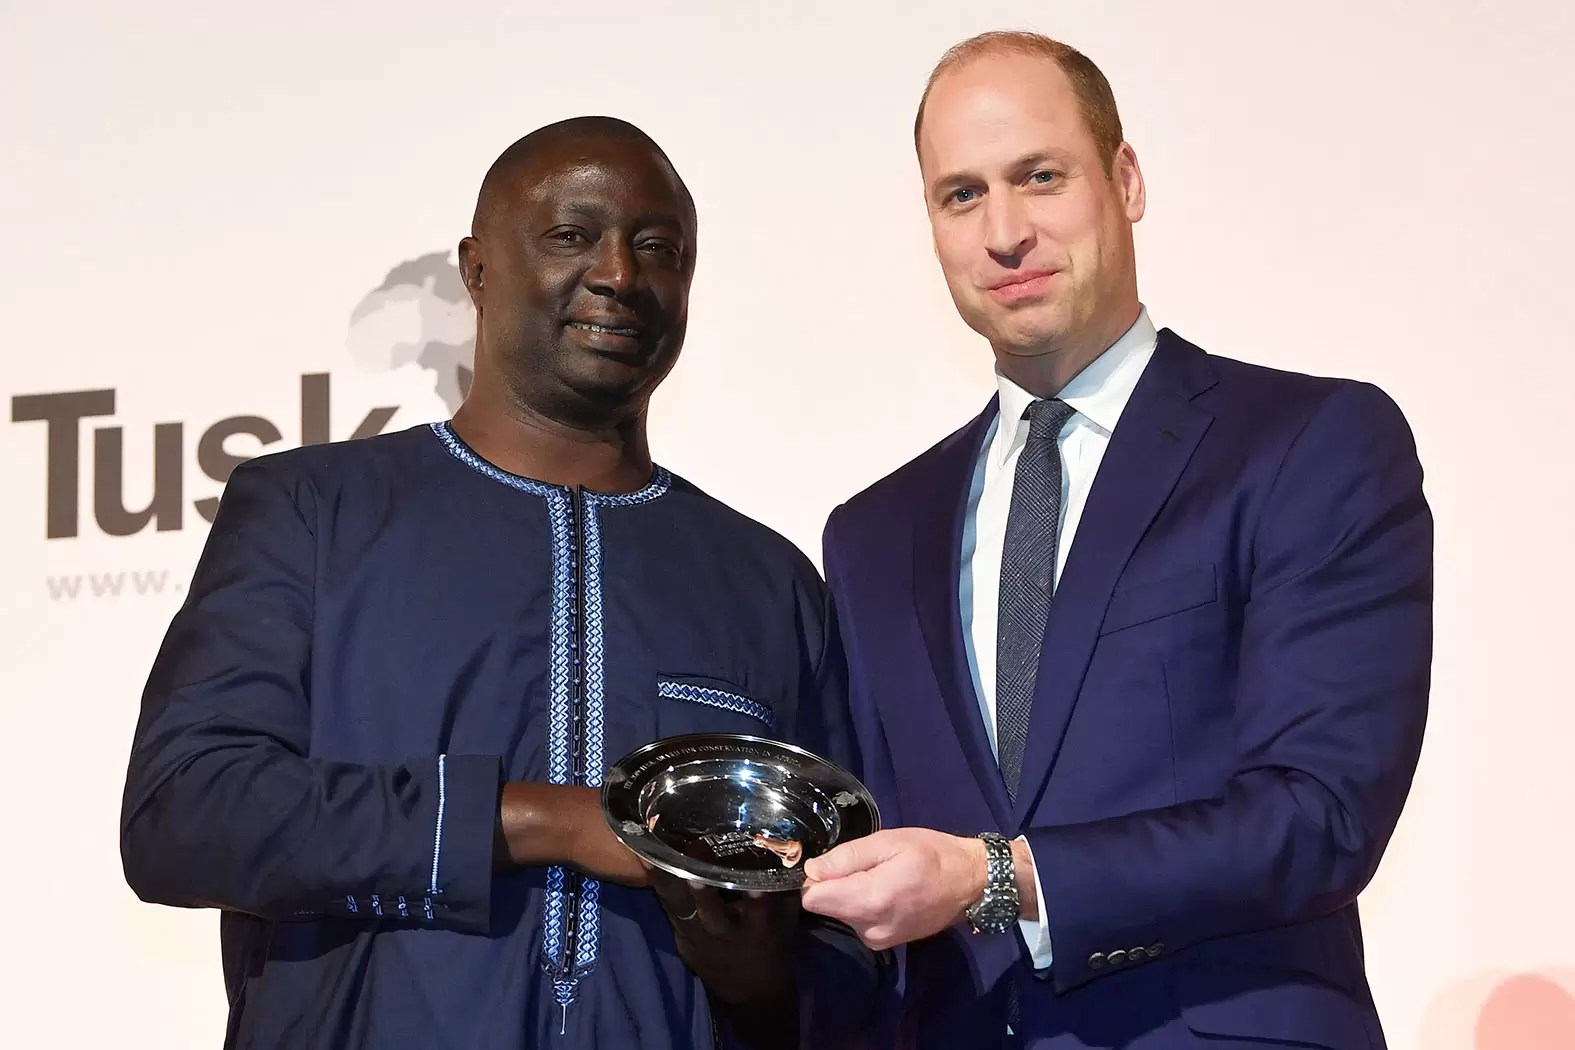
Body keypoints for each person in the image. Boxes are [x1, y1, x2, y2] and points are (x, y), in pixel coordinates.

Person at [120, 116, 878, 1050]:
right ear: (475, 270)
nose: (619, 275)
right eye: (571, 236)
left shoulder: (769, 582)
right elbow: (185, 815)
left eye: (658, 249)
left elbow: (853, 940)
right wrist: (545, 821)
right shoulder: (311, 511)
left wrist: (764, 986)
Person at [800, 31, 1432, 1049]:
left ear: (1125, 179)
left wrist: (997, 878)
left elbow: (1321, 816)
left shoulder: (1308, 445)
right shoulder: (872, 534)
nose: (1004, 232)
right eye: (961, 195)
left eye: (1039, 177)